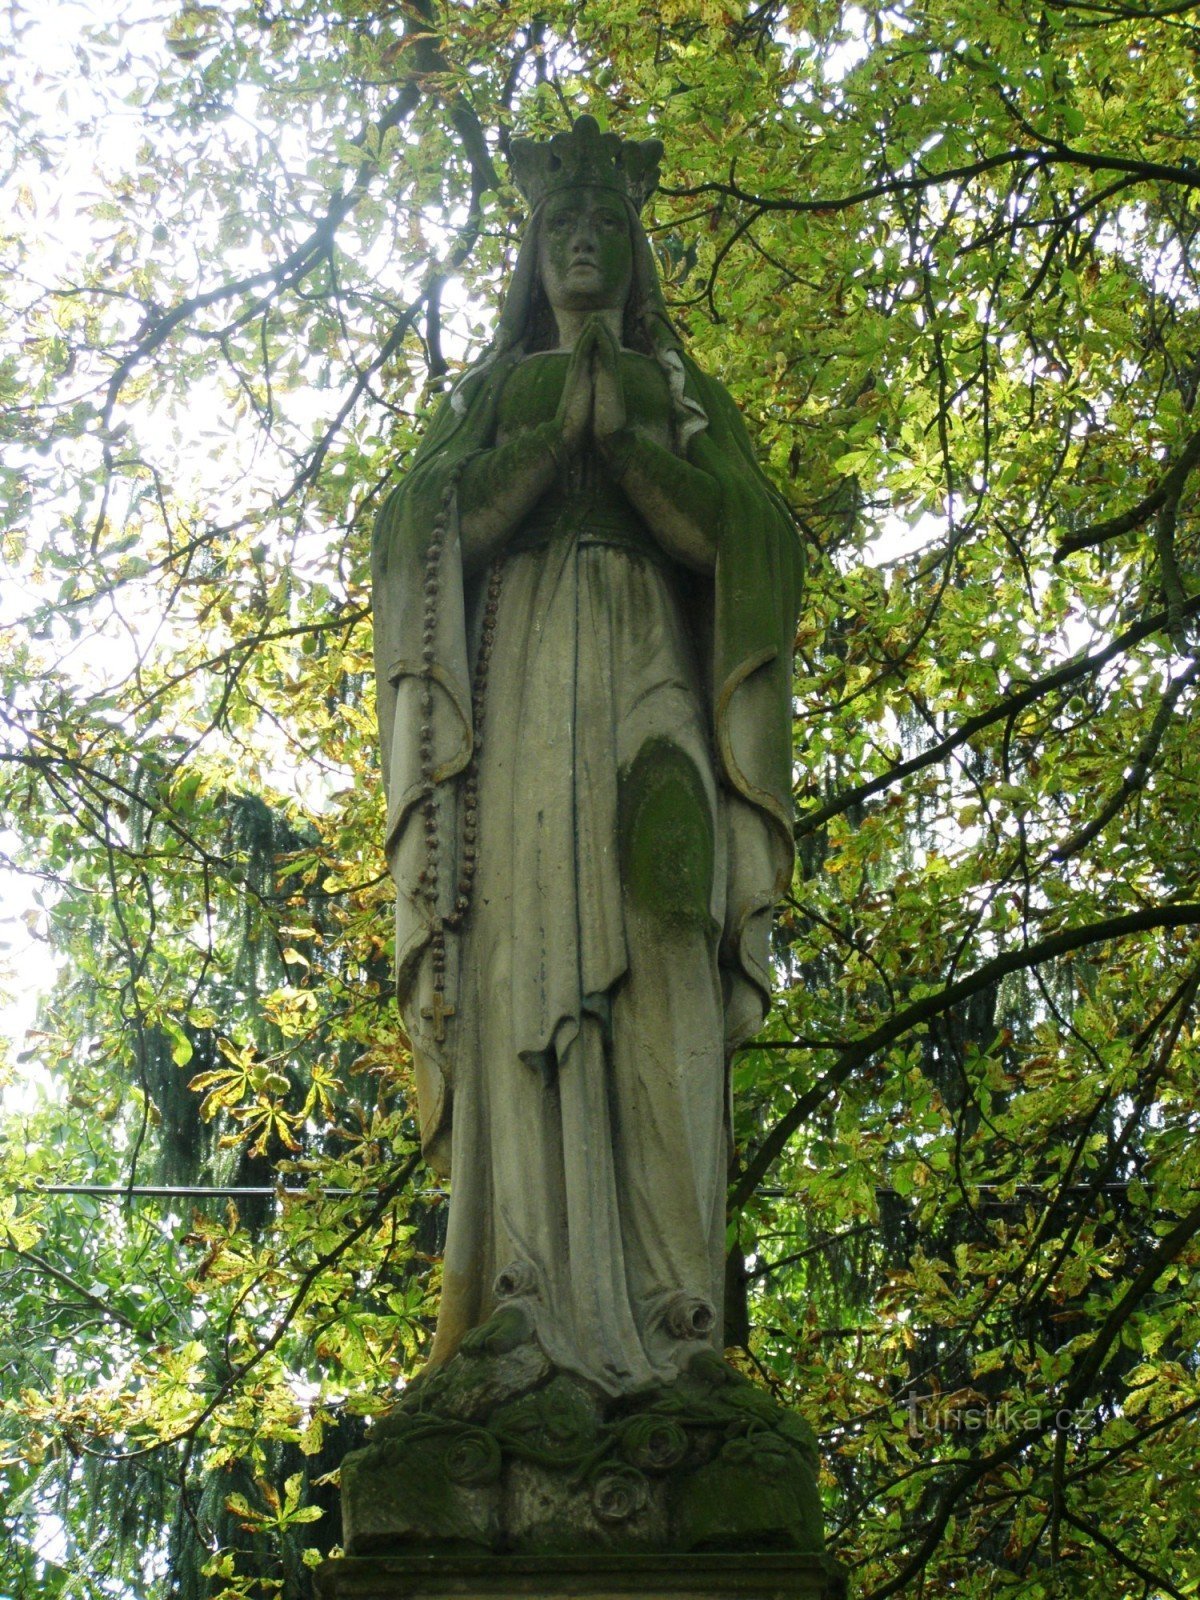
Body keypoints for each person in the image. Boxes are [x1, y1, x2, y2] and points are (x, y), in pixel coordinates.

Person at [372, 117, 802, 1396]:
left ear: (633, 250)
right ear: (530, 251)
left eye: (606, 223)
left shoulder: (679, 394)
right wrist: (556, 436)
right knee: (527, 965)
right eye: (561, 222)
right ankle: (525, 1291)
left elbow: (753, 547)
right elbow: (416, 536)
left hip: (651, 670)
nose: (582, 241)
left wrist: (627, 445)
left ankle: (679, 1306)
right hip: (525, 696)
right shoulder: (490, 397)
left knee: (668, 924)